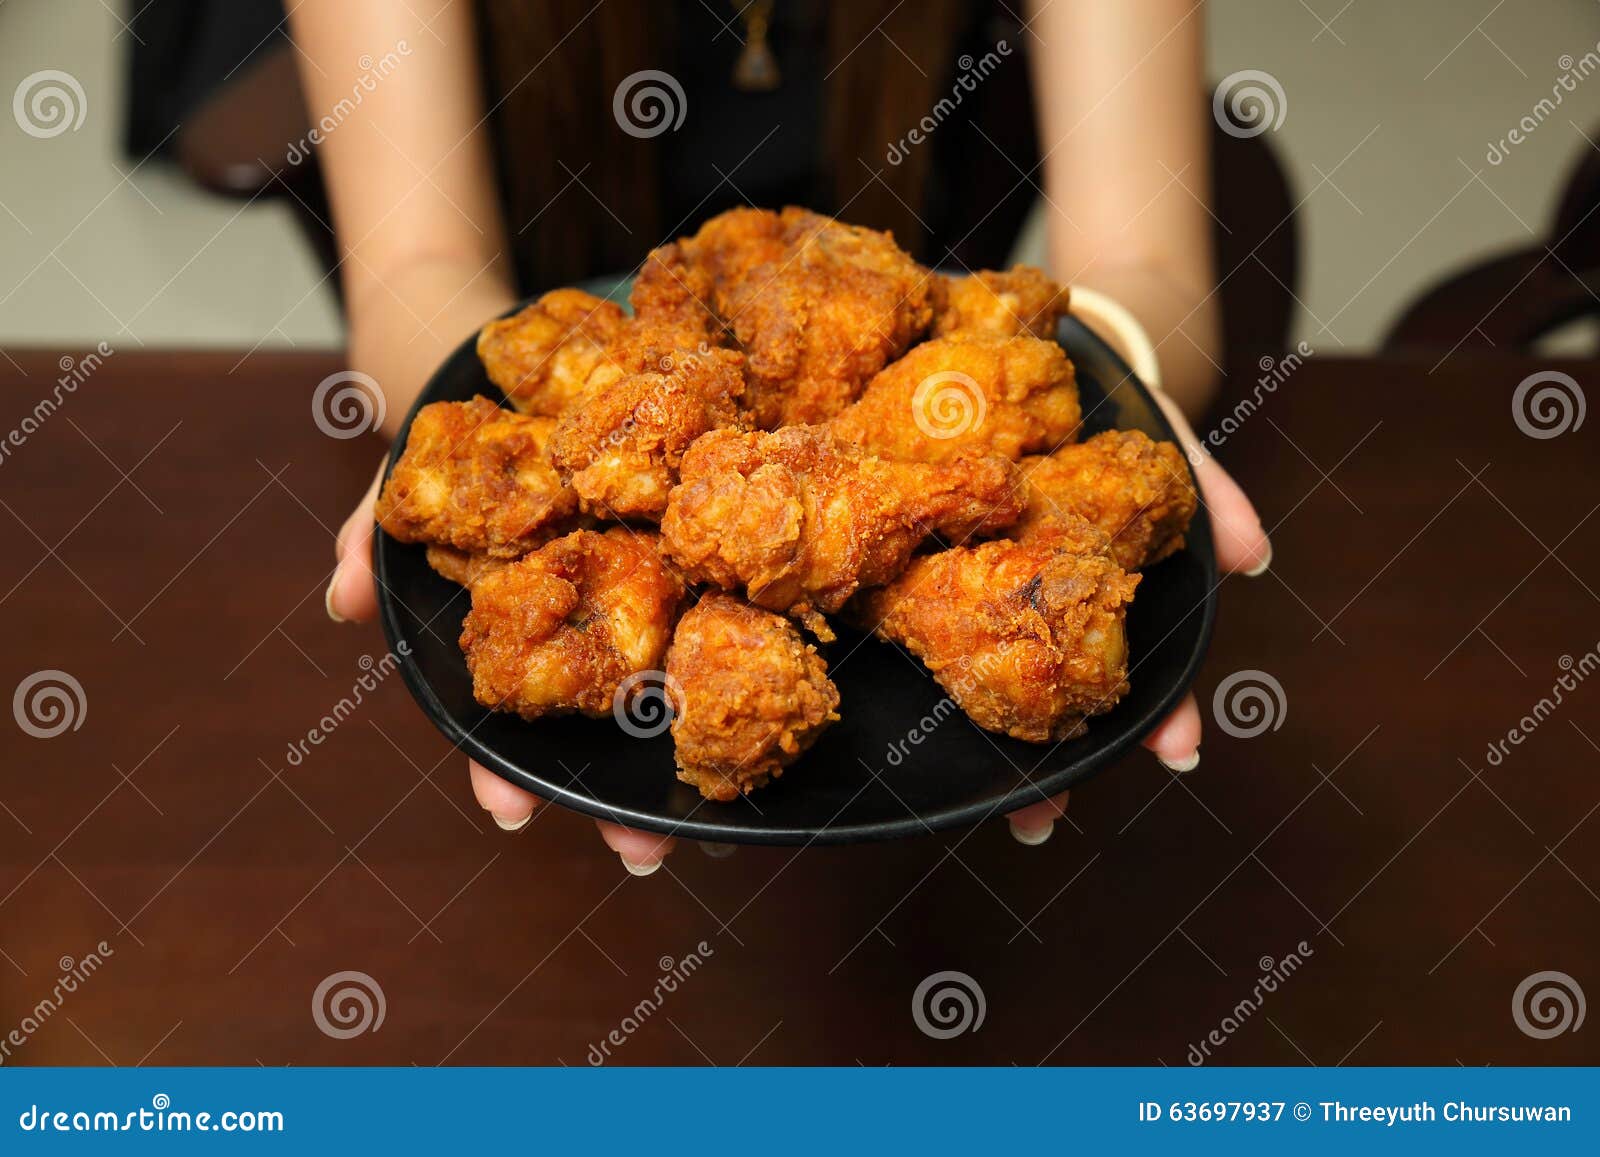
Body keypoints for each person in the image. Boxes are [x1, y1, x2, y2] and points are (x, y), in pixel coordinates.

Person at [294, 0, 1271, 873]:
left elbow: (1149, 266)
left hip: (902, 348)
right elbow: (413, 267)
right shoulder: (649, 449)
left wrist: (1121, 352)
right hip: (645, 385)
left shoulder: (889, 396)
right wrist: (448, 388)